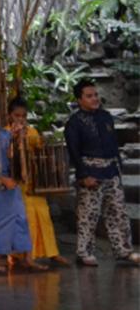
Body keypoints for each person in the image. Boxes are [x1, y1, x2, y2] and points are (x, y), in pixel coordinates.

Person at [64, 79, 140, 266]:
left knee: (118, 212)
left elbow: (113, 144)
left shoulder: (106, 117)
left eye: (96, 95)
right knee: (88, 214)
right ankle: (84, 253)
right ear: (79, 100)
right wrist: (83, 176)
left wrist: (118, 168)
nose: (94, 99)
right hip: (90, 171)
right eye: (89, 96)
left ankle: (124, 251)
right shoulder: (74, 123)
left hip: (112, 170)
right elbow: (73, 151)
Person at [0, 99, 41, 271]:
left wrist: (18, 140)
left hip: (11, 181)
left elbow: (13, 158)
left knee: (21, 217)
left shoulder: (5, 135)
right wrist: (1, 179)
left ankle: (27, 256)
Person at [8, 98, 69, 266]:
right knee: (24, 218)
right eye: (17, 115)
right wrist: (15, 138)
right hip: (16, 181)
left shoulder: (32, 132)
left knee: (43, 214)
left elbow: (39, 152)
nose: (20, 119)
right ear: (9, 115)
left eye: (24, 115)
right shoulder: (6, 133)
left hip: (33, 180)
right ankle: (23, 254)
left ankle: (52, 252)